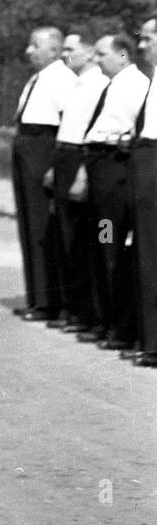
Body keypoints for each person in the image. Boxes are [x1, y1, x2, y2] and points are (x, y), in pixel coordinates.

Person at [83, 33, 150, 352]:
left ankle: (117, 325)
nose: (96, 60)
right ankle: (105, 320)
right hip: (100, 163)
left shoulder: (137, 84)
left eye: (102, 54)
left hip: (116, 167)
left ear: (122, 55)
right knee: (100, 244)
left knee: (111, 245)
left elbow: (139, 128)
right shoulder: (113, 85)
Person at [9, 27, 75, 320]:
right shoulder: (38, 78)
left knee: (41, 225)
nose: (29, 51)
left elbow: (68, 124)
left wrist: (53, 165)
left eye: (35, 45)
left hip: (44, 147)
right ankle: (36, 297)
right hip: (26, 146)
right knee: (27, 222)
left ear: (54, 50)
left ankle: (49, 300)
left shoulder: (63, 79)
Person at [49, 34, 105, 335]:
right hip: (64, 157)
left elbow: (92, 132)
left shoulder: (98, 85)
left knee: (78, 239)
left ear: (88, 52)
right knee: (64, 235)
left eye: (71, 50)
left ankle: (85, 312)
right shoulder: (76, 84)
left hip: (80, 159)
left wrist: (82, 170)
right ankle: (70, 307)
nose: (65, 55)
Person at [131, 19, 157, 367]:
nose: (140, 45)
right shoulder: (153, 79)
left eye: (148, 38)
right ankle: (152, 342)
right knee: (149, 252)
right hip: (147, 159)